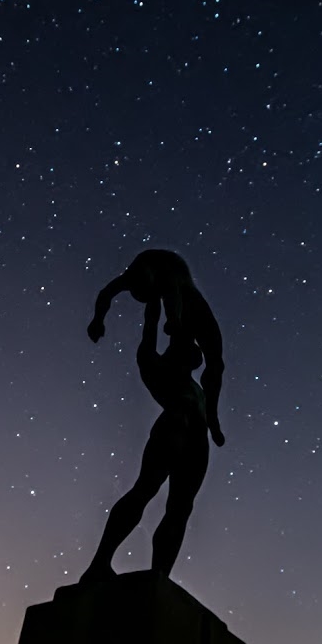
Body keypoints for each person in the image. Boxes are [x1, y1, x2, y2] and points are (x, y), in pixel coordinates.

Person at [80, 298, 210, 582]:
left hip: (198, 442)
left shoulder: (197, 387)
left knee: (180, 507)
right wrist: (157, 299)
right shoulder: (156, 365)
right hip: (173, 428)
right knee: (145, 490)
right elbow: (150, 325)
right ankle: (100, 562)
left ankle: (160, 575)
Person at [87, 249, 225, 446]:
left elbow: (172, 291)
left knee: (216, 364)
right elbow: (106, 293)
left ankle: (212, 416)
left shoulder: (163, 273)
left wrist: (173, 320)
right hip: (177, 308)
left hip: (191, 301)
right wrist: (97, 319)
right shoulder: (132, 277)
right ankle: (203, 413)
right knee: (198, 359)